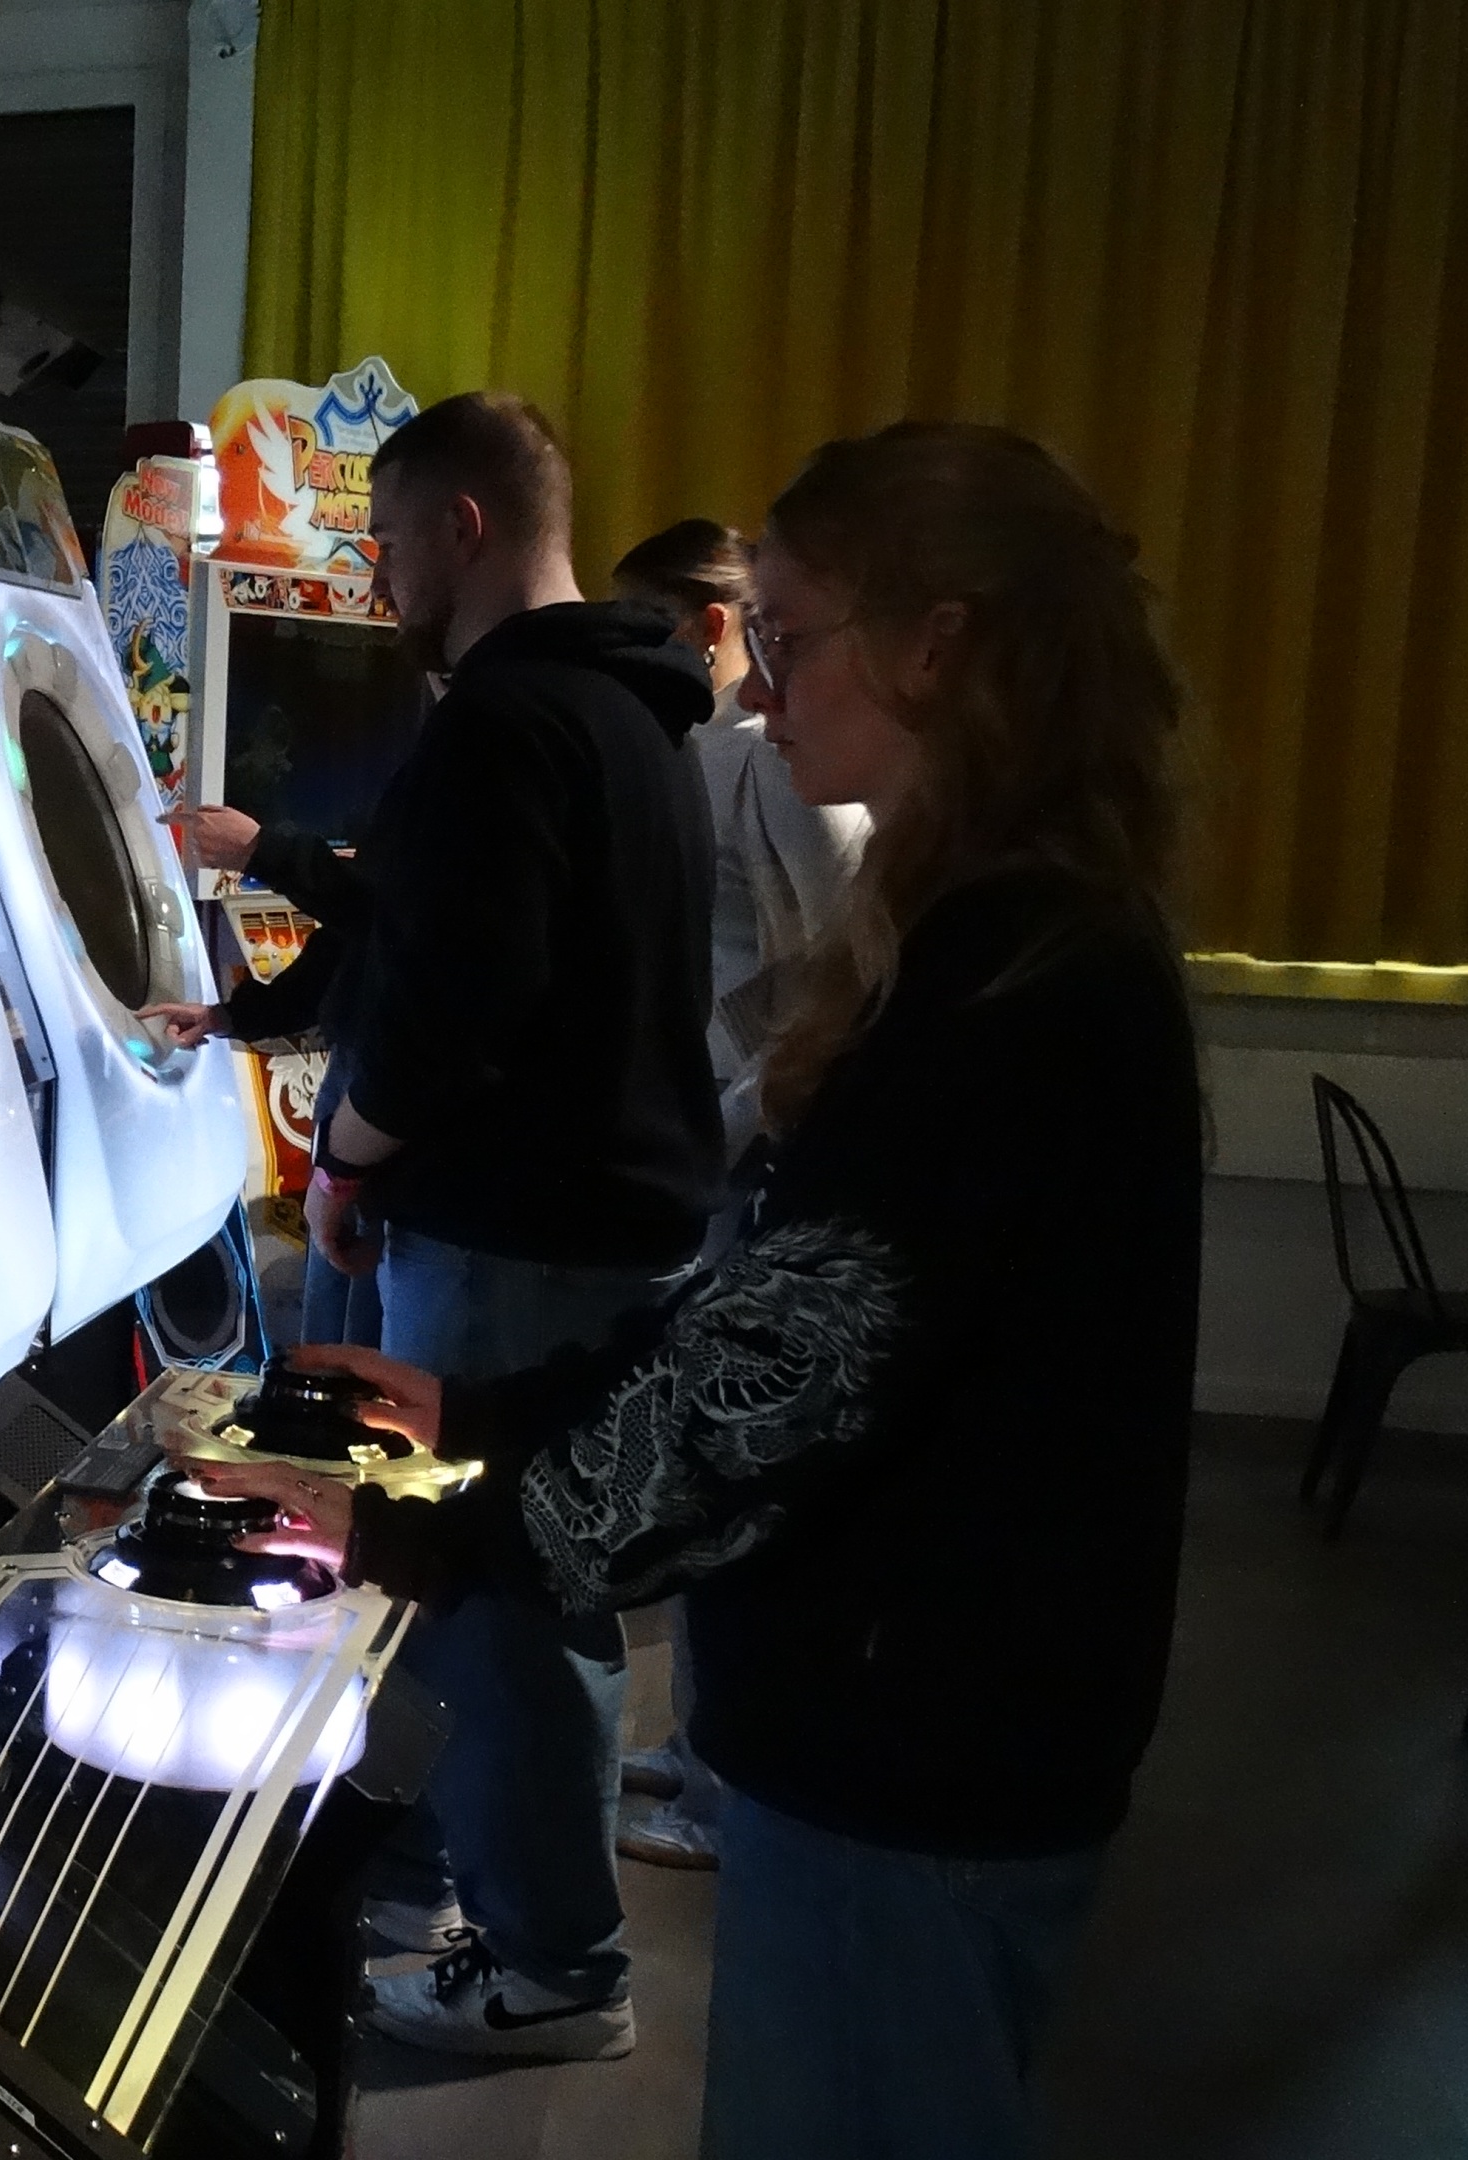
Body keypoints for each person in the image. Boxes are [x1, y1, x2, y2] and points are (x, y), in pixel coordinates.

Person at [187, 421, 1202, 2158]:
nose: (762, 685)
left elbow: (767, 1398)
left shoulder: (1015, 984)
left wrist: (414, 1513)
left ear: (938, 644)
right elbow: (793, 1318)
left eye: (791, 636)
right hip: (930, 1725)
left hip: (917, 1750)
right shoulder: (1012, 928)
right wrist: (469, 1412)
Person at [146, 390, 724, 2061]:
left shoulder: (509, 721)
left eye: (390, 542)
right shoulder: (634, 711)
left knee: (500, 1596)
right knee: (539, 1580)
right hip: (595, 1219)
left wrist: (344, 1158)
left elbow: (454, 1000)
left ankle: (553, 1968)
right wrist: (249, 1024)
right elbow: (411, 924)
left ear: (465, 527)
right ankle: (504, 1903)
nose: (379, 578)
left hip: (513, 1227)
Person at [603, 518, 867, 1873]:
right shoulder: (710, 754)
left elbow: (837, 965)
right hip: (704, 1127)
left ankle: (715, 1785)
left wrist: (736, 1118)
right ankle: (696, 1745)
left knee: (721, 1457)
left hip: (739, 1141)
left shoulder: (783, 767)